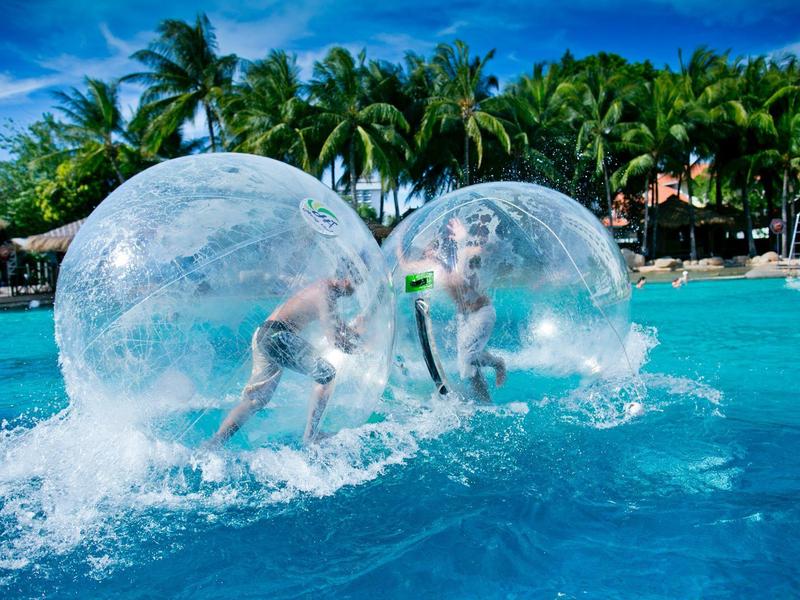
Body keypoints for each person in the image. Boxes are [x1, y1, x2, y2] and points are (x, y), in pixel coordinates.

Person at [209, 278, 360, 446]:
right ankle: (312, 435)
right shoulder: (326, 292)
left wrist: (356, 333)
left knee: (256, 400)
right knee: (327, 374)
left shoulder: (323, 288)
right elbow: (335, 340)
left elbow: (339, 329)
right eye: (356, 282)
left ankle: (215, 442)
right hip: (277, 335)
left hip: (263, 334)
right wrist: (359, 347)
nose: (355, 288)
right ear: (345, 278)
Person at [399, 217, 506, 402]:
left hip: (482, 313)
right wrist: (400, 240)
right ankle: (485, 401)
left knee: (468, 358)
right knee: (466, 369)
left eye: (436, 246)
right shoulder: (432, 272)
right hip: (463, 318)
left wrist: (464, 237)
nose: (433, 251)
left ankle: (498, 364)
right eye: (429, 248)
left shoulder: (460, 257)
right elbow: (405, 270)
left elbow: (486, 250)